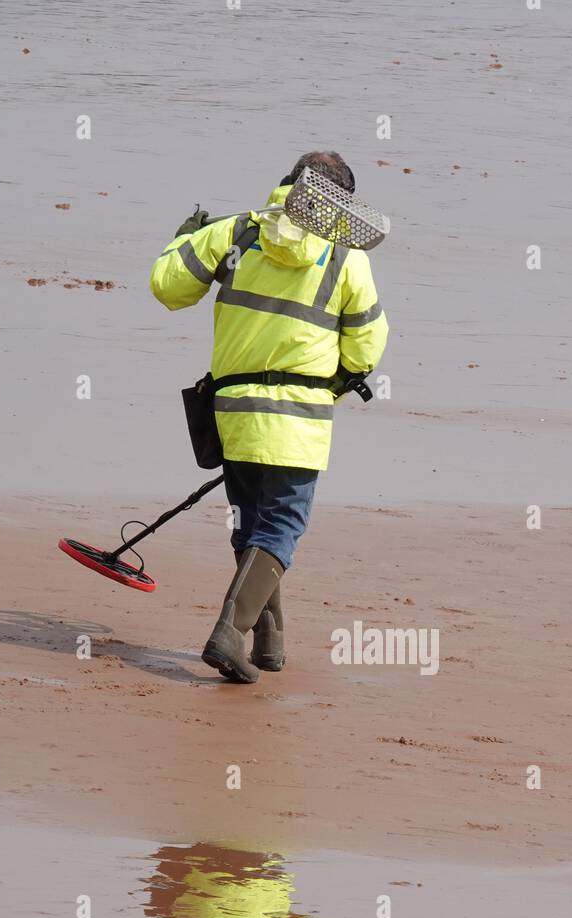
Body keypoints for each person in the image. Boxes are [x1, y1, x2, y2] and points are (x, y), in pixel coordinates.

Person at [149, 151, 388, 682]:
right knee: (281, 524)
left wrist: (184, 237)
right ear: (340, 206)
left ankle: (269, 641)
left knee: (252, 523)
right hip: (299, 420)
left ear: (287, 185)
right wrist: (326, 389)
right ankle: (228, 634)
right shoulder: (347, 258)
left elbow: (168, 288)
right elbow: (366, 350)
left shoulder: (235, 233)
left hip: (231, 413)